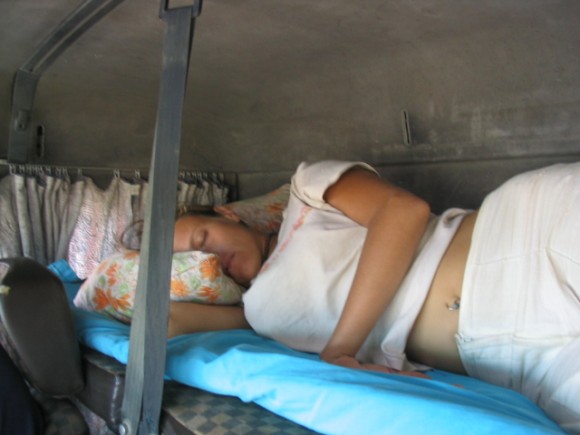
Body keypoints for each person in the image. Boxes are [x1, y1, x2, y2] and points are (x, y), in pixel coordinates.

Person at [170, 160, 580, 432]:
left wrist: (341, 349)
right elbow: (164, 323)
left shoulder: (308, 191)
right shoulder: (255, 314)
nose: (207, 259)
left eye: (202, 238)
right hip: (513, 360)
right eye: (189, 264)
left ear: (226, 214)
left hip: (526, 242)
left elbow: (404, 210)